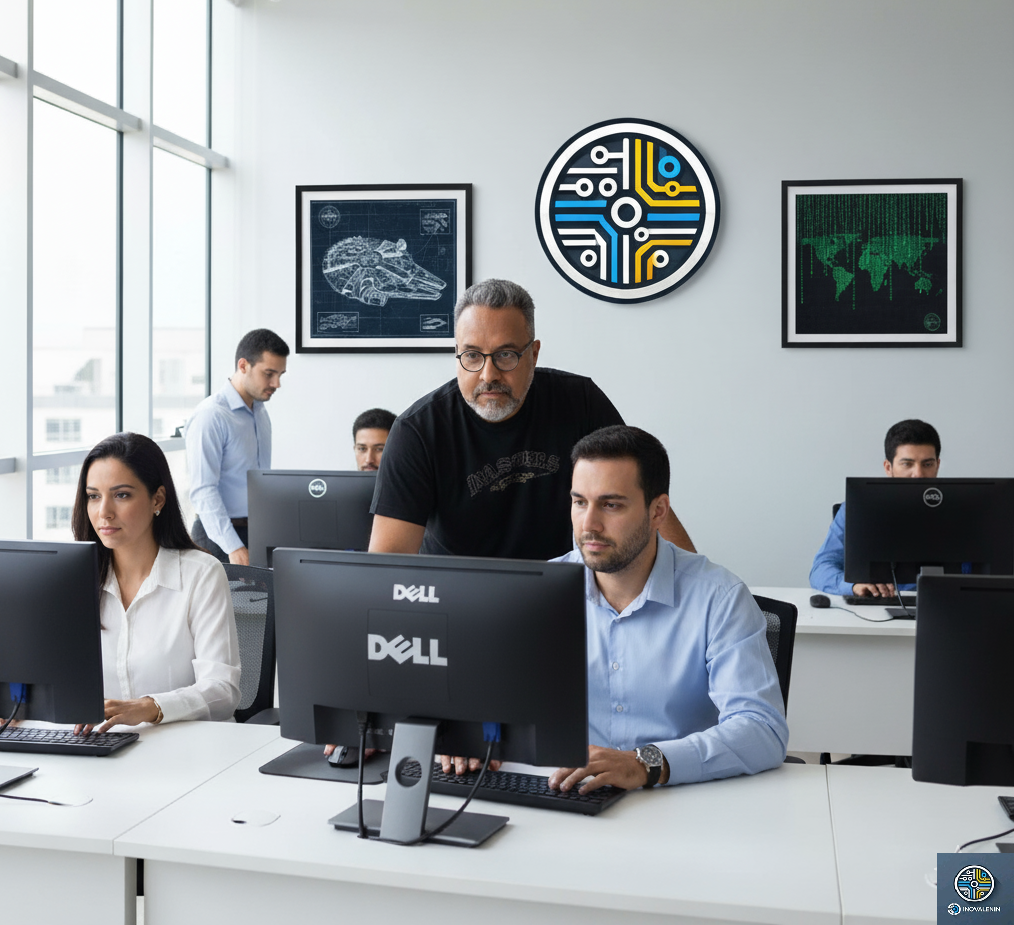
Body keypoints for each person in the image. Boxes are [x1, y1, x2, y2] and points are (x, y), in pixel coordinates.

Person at [369, 279, 694, 561]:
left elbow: (641, 501)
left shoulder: (579, 401)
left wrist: (696, 592)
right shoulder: (418, 431)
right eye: (472, 355)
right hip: (456, 599)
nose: (488, 374)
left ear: (534, 354)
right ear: (457, 353)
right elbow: (389, 563)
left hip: (563, 591)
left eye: (506, 355)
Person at [540, 425, 787, 793]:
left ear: (658, 512)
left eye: (611, 505)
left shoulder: (719, 597)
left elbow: (762, 729)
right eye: (580, 502)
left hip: (683, 801)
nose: (589, 524)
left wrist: (646, 763)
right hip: (571, 796)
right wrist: (473, 742)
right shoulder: (543, 591)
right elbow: (494, 706)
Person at [70, 432, 240, 732]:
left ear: (157, 499)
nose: (103, 512)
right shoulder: (76, 579)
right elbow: (57, 681)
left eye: (121, 495)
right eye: (93, 496)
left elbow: (222, 691)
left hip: (192, 754)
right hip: (106, 753)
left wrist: (151, 707)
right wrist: (19, 708)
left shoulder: (201, 574)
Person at [184, 328, 289, 565]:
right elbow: (203, 490)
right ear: (243, 366)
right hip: (219, 539)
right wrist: (234, 546)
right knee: (223, 604)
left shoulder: (260, 412)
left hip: (254, 532)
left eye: (280, 374)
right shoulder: (211, 416)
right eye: (269, 373)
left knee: (261, 603)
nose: (277, 383)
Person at [809, 418, 941, 597]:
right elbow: (821, 569)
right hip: (877, 605)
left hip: (945, 606)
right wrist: (853, 586)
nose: (918, 474)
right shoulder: (856, 510)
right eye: (907, 464)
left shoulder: (967, 512)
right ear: (888, 467)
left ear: (937, 465)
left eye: (927, 464)